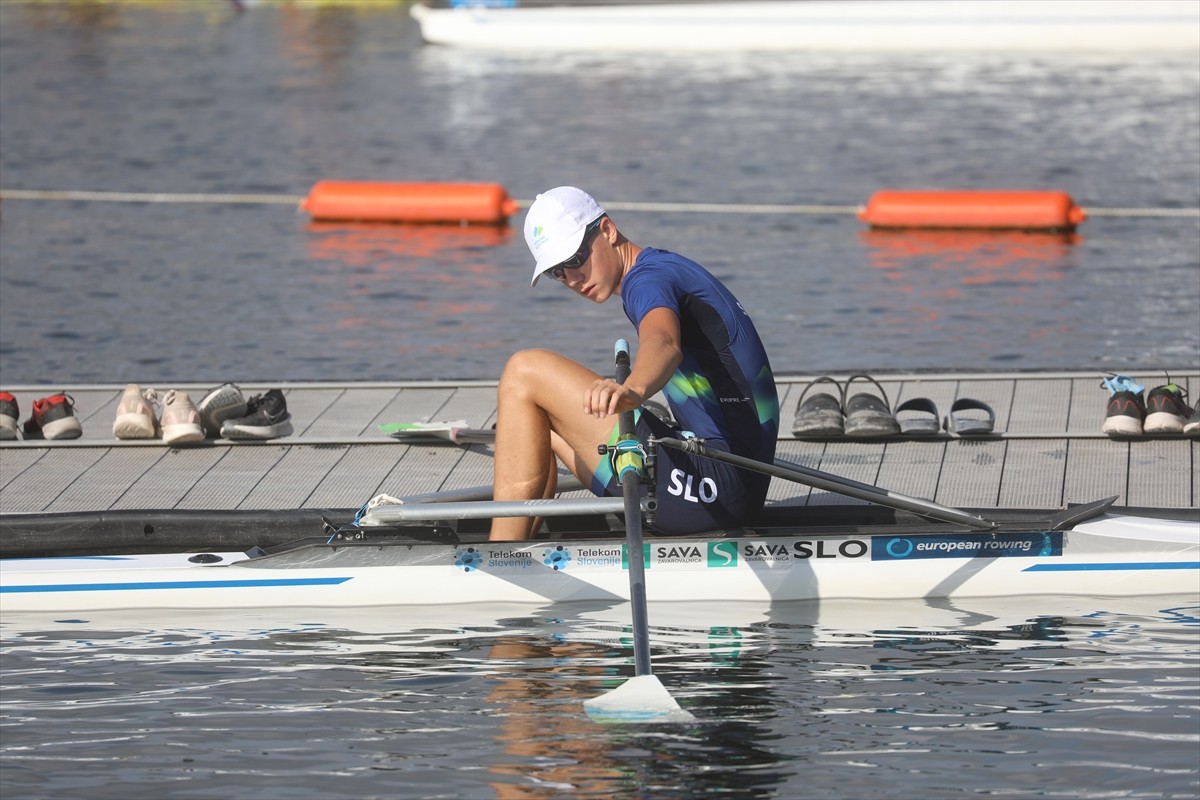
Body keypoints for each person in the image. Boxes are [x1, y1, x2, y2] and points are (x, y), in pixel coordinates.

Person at [490, 186, 779, 541]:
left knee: (524, 371)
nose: (572, 278)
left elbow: (664, 343)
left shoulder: (647, 281)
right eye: (557, 272)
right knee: (535, 428)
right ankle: (515, 550)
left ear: (607, 230)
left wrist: (633, 390)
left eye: (576, 258)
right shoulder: (663, 268)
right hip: (731, 479)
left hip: (718, 485)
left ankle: (498, 554)